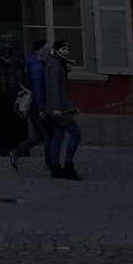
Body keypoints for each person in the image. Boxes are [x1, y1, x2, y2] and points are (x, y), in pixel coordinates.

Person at [8, 40, 53, 171]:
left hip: (31, 106)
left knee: (40, 135)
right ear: (43, 52)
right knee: (49, 135)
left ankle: (16, 153)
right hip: (35, 106)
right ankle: (51, 164)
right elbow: (38, 89)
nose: (49, 55)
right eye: (47, 52)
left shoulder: (33, 62)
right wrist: (41, 109)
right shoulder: (38, 67)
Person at [44, 38, 85, 180]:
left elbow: (63, 89)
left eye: (67, 50)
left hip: (60, 108)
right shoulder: (55, 64)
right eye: (63, 49)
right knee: (76, 135)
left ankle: (55, 167)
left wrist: (73, 106)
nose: (66, 52)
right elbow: (54, 87)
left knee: (58, 137)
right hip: (59, 110)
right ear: (56, 50)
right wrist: (56, 108)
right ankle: (68, 166)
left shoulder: (57, 63)